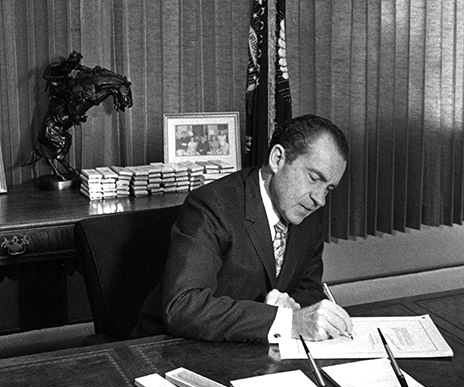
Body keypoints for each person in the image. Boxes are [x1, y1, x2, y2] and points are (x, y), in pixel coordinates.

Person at [134, 114, 353, 343]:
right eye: (314, 178)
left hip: (249, 351)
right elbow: (183, 307)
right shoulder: (212, 205)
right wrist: (284, 320)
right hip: (168, 350)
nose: (320, 200)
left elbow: (311, 291)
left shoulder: (308, 213)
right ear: (278, 159)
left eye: (328, 188)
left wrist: (291, 307)